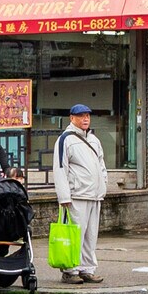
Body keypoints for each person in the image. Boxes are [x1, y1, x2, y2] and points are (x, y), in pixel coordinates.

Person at [51, 102, 106, 284]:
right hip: (77, 195)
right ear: (72, 118)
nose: (85, 119)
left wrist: (103, 186)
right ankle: (70, 270)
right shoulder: (65, 139)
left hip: (94, 195)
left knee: (90, 235)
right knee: (75, 235)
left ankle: (87, 268)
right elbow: (60, 168)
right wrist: (64, 196)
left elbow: (101, 165)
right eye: (81, 116)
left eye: (88, 116)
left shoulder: (94, 140)